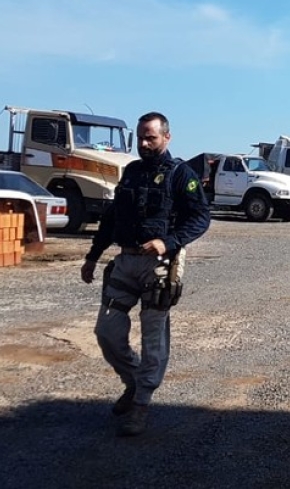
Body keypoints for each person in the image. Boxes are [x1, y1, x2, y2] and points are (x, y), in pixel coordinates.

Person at [80, 112, 211, 437]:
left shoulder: (181, 175)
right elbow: (111, 219)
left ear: (166, 137)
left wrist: (168, 241)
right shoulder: (131, 172)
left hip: (159, 266)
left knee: (153, 338)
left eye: (150, 137)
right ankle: (133, 382)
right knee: (106, 331)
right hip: (125, 261)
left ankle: (141, 404)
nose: (143, 143)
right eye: (140, 137)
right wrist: (93, 257)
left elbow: (200, 218)